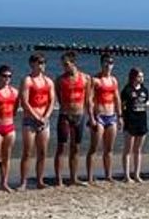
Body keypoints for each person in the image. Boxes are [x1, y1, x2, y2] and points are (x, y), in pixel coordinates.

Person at [18, 54, 55, 189]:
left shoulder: (48, 81)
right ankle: (23, 182)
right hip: (30, 120)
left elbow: (52, 101)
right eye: (39, 62)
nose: (42, 65)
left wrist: (46, 117)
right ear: (32, 64)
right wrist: (36, 117)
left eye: (43, 62)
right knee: (27, 152)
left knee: (42, 152)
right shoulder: (27, 80)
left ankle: (40, 180)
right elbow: (24, 102)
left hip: (44, 120)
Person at [54, 51, 89, 186]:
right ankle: (59, 179)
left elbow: (88, 100)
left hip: (79, 115)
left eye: (66, 64)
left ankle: (73, 178)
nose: (64, 67)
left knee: (76, 147)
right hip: (65, 115)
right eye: (63, 64)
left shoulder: (85, 78)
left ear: (74, 63)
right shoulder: (60, 79)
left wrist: (91, 116)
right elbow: (59, 97)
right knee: (61, 147)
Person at [85, 54, 121, 184]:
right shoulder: (95, 80)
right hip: (99, 116)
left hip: (111, 116)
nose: (108, 65)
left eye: (110, 63)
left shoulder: (113, 80)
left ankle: (108, 175)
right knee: (94, 148)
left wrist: (120, 116)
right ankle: (90, 177)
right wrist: (91, 117)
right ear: (101, 64)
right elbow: (89, 100)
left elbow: (117, 98)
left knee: (109, 149)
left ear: (113, 65)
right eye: (106, 62)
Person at [120, 67, 149, 182]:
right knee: (128, 149)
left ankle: (137, 174)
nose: (141, 78)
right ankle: (127, 175)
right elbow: (122, 105)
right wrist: (121, 118)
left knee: (138, 149)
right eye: (139, 76)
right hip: (130, 121)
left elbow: (145, 102)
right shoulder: (127, 90)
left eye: (142, 76)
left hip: (142, 121)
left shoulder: (144, 90)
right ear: (133, 77)